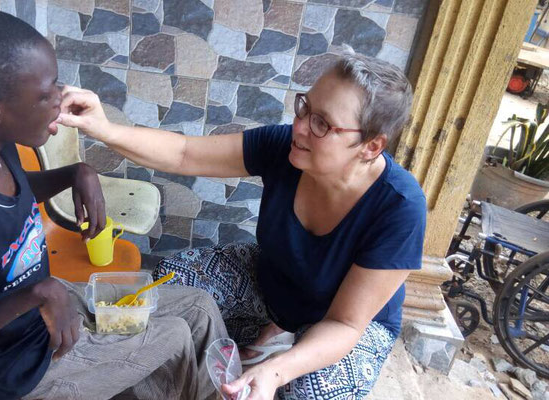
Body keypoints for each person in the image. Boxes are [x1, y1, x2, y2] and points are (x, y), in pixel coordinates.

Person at [0, 7, 227, 400]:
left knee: (199, 306)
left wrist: (75, 173)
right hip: (14, 368)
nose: (59, 99)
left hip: (45, 311)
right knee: (172, 337)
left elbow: (8, 201)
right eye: (45, 93)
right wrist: (36, 295)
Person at [56, 52, 426, 399]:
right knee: (174, 284)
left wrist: (276, 372)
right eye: (304, 108)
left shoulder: (399, 208)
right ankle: (201, 381)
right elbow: (185, 153)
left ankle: (270, 352)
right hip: (275, 280)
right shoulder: (286, 146)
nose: (299, 127)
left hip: (344, 323)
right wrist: (103, 128)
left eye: (322, 124)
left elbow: (345, 324)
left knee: (314, 389)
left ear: (371, 146)